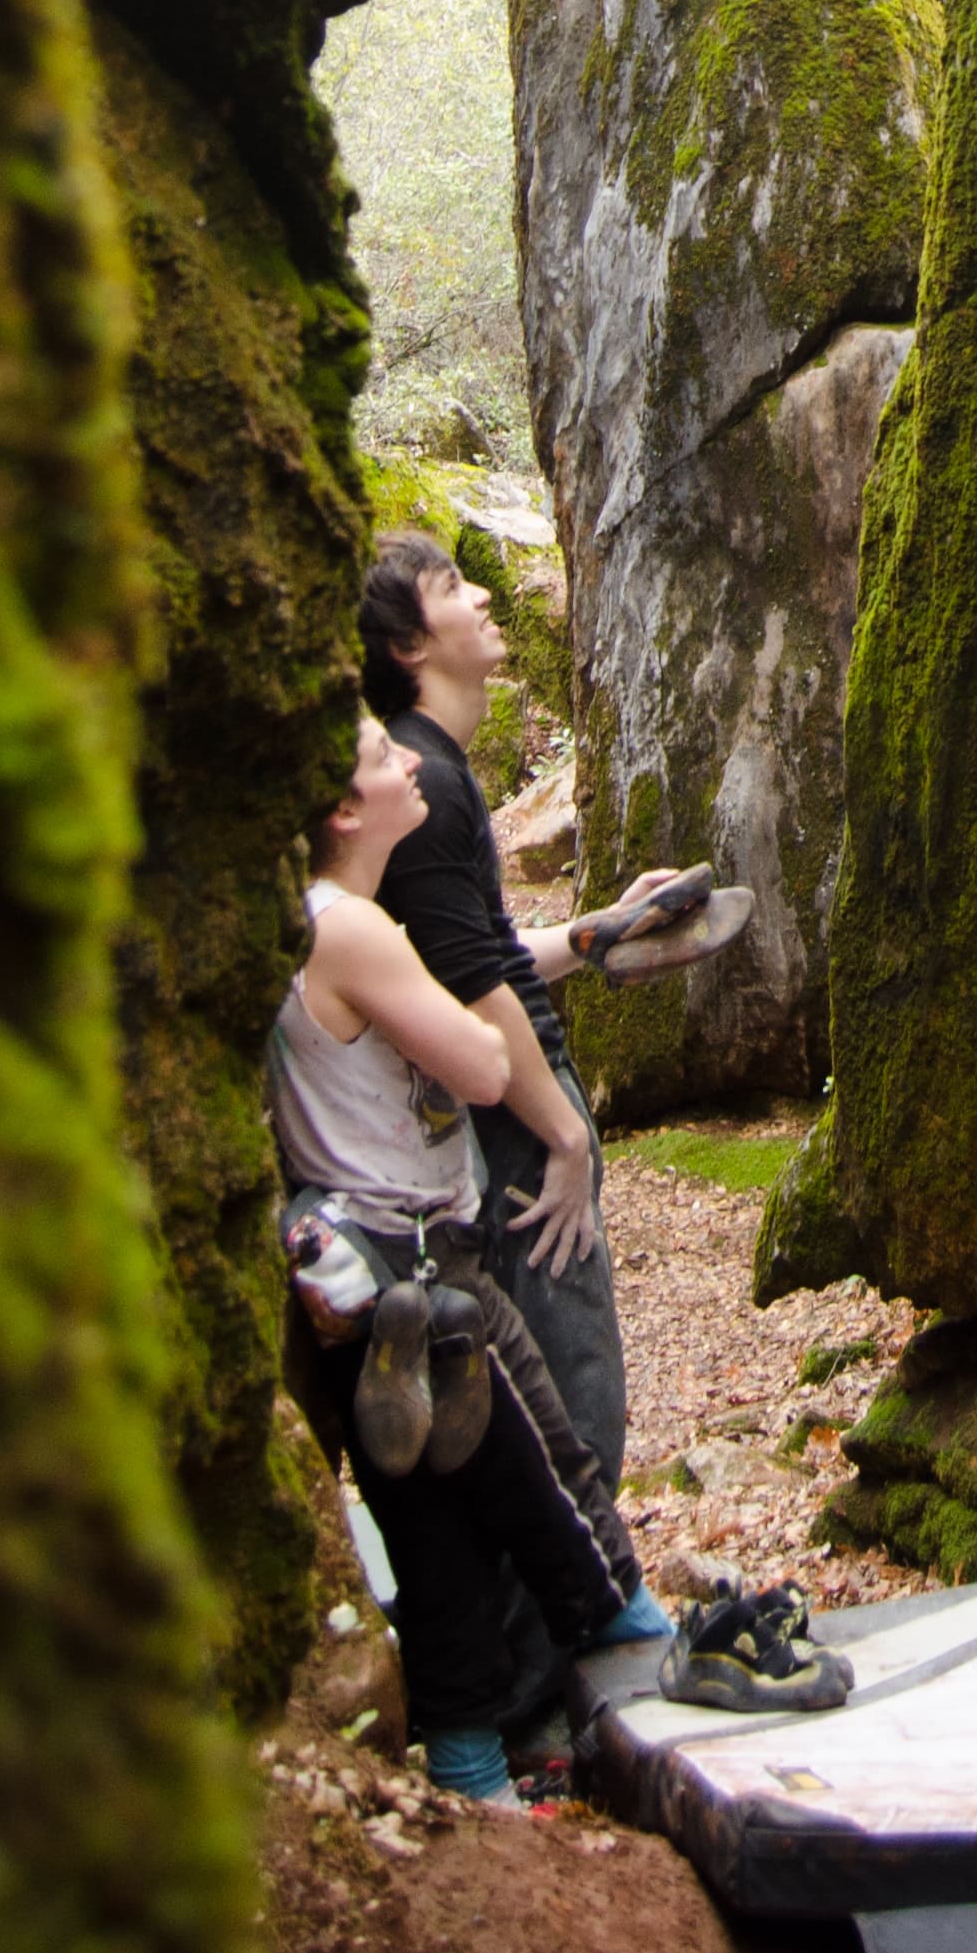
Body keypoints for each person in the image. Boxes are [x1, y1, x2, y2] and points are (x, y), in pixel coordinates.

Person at [271, 712, 673, 1802]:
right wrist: (483, 1023)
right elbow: (486, 1061)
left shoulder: (316, 916)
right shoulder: (356, 929)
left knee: (431, 1531)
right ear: (346, 809)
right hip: (428, 1251)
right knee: (550, 1473)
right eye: (383, 758)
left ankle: (469, 1769)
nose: (413, 760)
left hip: (350, 1268)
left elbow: (476, 968)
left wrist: (591, 933)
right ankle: (638, 1635)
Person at [357, 538, 690, 1493]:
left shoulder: (438, 770)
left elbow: (488, 950)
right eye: (454, 589)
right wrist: (565, 1136)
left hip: (512, 1119)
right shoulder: (423, 782)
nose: (487, 594)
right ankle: (587, 1620)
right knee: (571, 1399)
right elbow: (472, 984)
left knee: (554, 1390)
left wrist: (599, 931)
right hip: (515, 1137)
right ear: (411, 646)